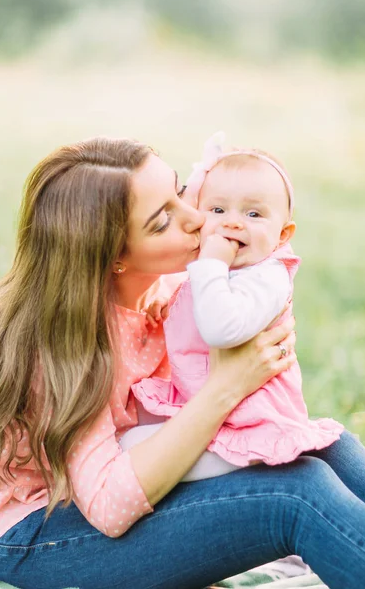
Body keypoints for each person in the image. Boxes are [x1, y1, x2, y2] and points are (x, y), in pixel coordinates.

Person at [0, 137, 365, 589]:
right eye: (163, 221)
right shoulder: (67, 344)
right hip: (42, 527)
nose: (198, 218)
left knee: (321, 444)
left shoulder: (167, 290)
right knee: (296, 494)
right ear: (115, 258)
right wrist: (227, 387)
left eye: (181, 192)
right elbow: (107, 506)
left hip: (126, 471)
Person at [129, 133, 343, 475]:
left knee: (132, 450)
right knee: (130, 435)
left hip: (251, 425)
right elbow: (199, 299)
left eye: (254, 213)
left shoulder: (268, 277)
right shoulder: (223, 270)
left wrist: (210, 264)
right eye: (217, 209)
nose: (233, 222)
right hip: (209, 405)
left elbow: (220, 328)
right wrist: (170, 304)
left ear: (283, 235)